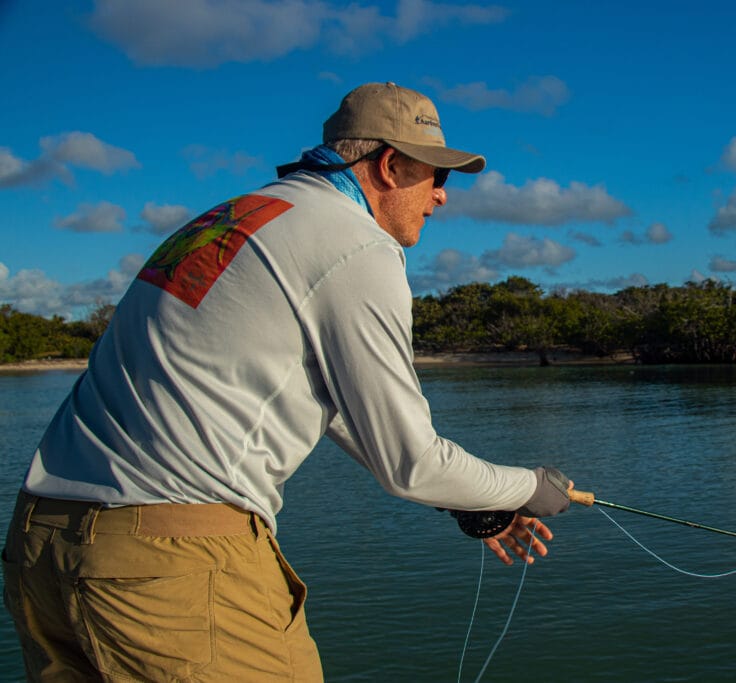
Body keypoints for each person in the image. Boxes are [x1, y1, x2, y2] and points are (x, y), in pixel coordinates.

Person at [2, 81, 573, 682]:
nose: (441, 198)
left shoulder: (229, 219)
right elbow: (411, 463)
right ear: (388, 165)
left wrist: (471, 503)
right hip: (170, 564)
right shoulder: (356, 245)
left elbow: (335, 411)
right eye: (435, 176)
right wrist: (526, 486)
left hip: (42, 544)